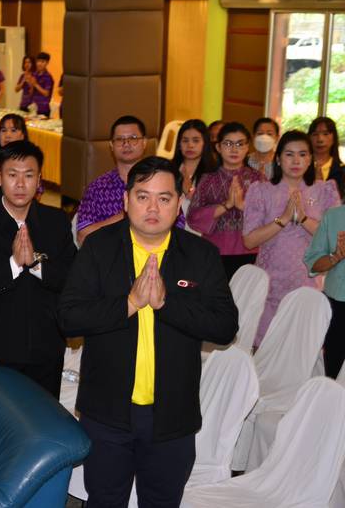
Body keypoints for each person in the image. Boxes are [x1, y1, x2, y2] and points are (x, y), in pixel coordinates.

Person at [58, 156, 238, 507]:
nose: (153, 208)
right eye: (143, 197)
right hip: (107, 412)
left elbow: (225, 325)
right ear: (126, 201)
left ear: (179, 203)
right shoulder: (99, 247)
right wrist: (128, 303)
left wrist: (165, 304)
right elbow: (68, 317)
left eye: (164, 198)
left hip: (172, 416)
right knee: (105, 500)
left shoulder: (199, 254)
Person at [0, 141, 75, 396]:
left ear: (39, 179)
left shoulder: (56, 221)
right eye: (13, 175)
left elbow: (72, 279)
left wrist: (35, 264)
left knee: (45, 415)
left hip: (47, 347)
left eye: (29, 175)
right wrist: (13, 264)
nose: (20, 184)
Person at [243, 130, 339, 349]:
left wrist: (303, 218)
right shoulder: (261, 190)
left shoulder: (324, 190)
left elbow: (334, 239)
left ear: (310, 159)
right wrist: (283, 219)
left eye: (303, 154)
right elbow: (249, 240)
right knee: (264, 349)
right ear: (278, 159)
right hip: (270, 281)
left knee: (301, 349)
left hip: (307, 280)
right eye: (289, 154)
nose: (296, 160)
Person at [76, 116, 170, 246]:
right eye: (120, 139)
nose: (126, 144)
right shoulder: (98, 188)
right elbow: (83, 236)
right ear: (111, 145)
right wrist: (126, 214)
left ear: (144, 142)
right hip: (109, 255)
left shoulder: (161, 184)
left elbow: (177, 228)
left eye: (133, 138)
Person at [188, 121, 264, 280]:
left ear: (247, 147)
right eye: (228, 143)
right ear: (218, 147)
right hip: (214, 250)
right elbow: (193, 217)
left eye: (240, 144)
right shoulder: (208, 179)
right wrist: (226, 205)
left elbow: (271, 216)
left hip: (251, 250)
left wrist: (243, 206)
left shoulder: (258, 179)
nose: (234, 149)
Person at [305, 203, 345, 377]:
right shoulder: (334, 216)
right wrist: (335, 257)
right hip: (338, 307)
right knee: (334, 372)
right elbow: (313, 262)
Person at [171, 119, 217, 235]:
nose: (190, 145)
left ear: (205, 144)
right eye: (185, 141)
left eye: (196, 141)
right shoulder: (169, 169)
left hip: (202, 235)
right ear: (179, 144)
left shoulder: (215, 172)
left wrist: (190, 191)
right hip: (171, 232)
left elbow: (216, 209)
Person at [309, 116, 344, 196]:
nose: (320, 139)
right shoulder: (299, 167)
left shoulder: (341, 170)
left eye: (326, 134)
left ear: (334, 138)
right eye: (315, 134)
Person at [27, 52, 54, 117]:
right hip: (33, 108)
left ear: (47, 63)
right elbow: (30, 93)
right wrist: (31, 84)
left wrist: (35, 84)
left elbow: (46, 93)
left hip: (43, 109)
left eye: (42, 62)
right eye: (38, 61)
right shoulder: (34, 74)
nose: (39, 64)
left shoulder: (48, 77)